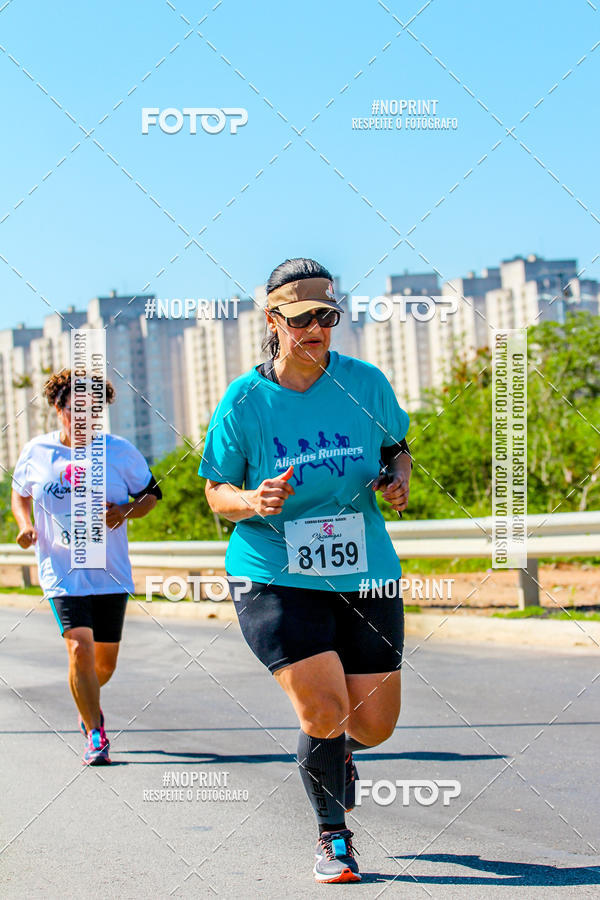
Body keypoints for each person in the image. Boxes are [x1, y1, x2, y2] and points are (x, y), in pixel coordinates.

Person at [200, 258, 412, 883]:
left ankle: (340, 755)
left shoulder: (365, 382)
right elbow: (215, 490)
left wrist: (396, 481)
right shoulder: (246, 400)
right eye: (300, 319)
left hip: (363, 569)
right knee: (322, 711)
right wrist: (253, 500)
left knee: (372, 725)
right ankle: (333, 838)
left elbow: (394, 449)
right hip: (274, 571)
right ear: (273, 321)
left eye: (325, 317)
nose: (315, 329)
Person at [11, 370, 162, 765]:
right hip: (60, 571)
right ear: (58, 409)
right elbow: (19, 493)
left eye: (93, 410)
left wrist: (125, 510)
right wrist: (25, 526)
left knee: (102, 664)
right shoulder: (37, 452)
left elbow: (152, 496)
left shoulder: (120, 452)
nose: (84, 418)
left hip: (109, 572)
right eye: (74, 409)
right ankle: (95, 732)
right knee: (79, 647)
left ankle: (86, 705)